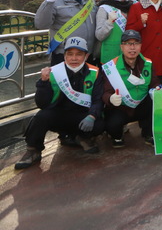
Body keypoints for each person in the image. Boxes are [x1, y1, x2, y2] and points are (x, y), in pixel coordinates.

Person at [14, 37, 105, 169]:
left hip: (82, 115)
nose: (74, 58)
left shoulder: (95, 73)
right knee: (40, 117)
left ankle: (83, 138)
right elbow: (42, 104)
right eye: (70, 54)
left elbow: (98, 100)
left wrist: (92, 116)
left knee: (100, 123)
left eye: (79, 54)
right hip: (59, 114)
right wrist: (43, 83)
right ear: (64, 56)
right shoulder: (54, 72)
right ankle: (33, 150)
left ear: (86, 56)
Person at [102, 29, 158, 148]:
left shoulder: (148, 63)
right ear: (122, 46)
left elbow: (154, 83)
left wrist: (156, 89)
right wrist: (110, 98)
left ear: (140, 46)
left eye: (136, 43)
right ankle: (117, 135)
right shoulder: (111, 67)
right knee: (112, 125)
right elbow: (105, 92)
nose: (132, 48)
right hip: (122, 108)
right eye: (128, 43)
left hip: (142, 105)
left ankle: (148, 134)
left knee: (156, 103)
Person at [36, 0, 97, 66]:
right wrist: (48, 3)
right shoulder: (55, 0)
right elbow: (40, 24)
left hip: (88, 55)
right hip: (64, 55)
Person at [95, 0, 134, 64]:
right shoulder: (104, 8)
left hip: (129, 55)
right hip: (110, 56)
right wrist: (109, 22)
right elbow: (99, 36)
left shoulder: (133, 7)